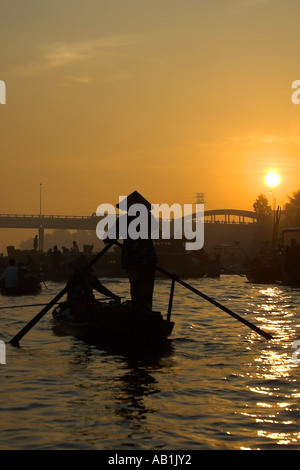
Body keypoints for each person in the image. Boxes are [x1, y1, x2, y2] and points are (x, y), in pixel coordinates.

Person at [104, 191, 158, 315]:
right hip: (147, 257)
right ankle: (146, 311)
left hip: (132, 257)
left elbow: (109, 237)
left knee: (135, 285)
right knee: (147, 287)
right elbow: (155, 229)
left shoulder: (125, 219)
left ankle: (137, 311)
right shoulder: (149, 217)